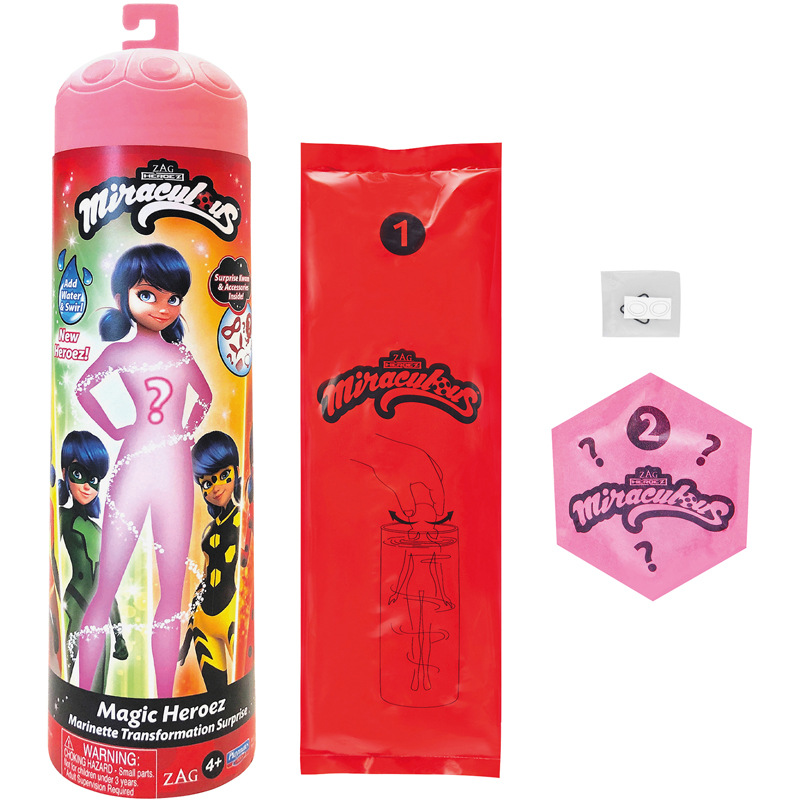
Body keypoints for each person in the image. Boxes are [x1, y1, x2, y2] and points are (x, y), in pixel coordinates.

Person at [76, 243, 212, 698]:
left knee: (158, 594)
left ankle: (161, 702)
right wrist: (180, 431)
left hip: (157, 466)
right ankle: (89, 696)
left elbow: (84, 389)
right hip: (152, 467)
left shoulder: (174, 356)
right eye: (148, 295)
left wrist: (126, 429)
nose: (163, 307)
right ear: (123, 298)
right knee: (109, 587)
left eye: (173, 298)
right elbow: (85, 388)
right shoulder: (132, 354)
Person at [56, 431, 127, 682]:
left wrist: (119, 634)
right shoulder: (62, 516)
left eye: (94, 479)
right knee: (63, 678)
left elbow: (107, 587)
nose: (87, 486)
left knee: (96, 692)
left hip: (99, 617)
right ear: (65, 472)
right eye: (79, 474)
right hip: (73, 607)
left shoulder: (98, 530)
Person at [179, 432, 241, 691]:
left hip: (232, 616)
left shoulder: (243, 519)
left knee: (236, 696)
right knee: (215, 698)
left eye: (224, 476)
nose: (216, 488)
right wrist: (190, 626)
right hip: (203, 621)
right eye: (207, 482)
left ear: (236, 471)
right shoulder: (209, 531)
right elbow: (205, 578)